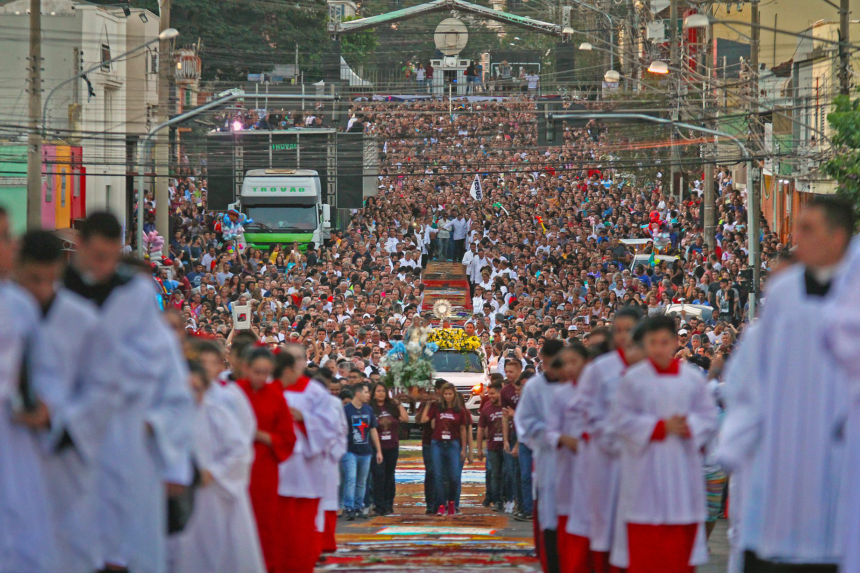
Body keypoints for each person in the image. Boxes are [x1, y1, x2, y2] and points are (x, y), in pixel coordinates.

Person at [718, 197, 854, 573]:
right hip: (781, 451)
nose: (797, 238)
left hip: (840, 452)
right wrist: (737, 442)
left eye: (808, 229)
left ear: (838, 237)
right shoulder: (783, 293)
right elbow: (749, 380)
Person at [64, 212, 194, 573]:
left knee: (132, 549)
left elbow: (174, 393)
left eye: (109, 257)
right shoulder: (60, 298)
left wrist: (171, 460)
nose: (101, 266)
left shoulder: (135, 301)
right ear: (81, 247)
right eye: (96, 256)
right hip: (73, 445)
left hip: (133, 445)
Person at [14, 230, 110, 573]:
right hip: (10, 451)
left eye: (47, 280)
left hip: (66, 456)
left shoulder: (81, 319)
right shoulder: (7, 311)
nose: (40, 289)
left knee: (67, 550)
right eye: (31, 280)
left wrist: (54, 416)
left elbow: (102, 392)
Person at [609, 315, 717, 573]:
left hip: (681, 472)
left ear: (674, 343)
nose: (658, 348)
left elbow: (709, 417)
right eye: (652, 342)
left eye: (664, 342)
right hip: (643, 474)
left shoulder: (691, 379)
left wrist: (688, 426)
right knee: (645, 556)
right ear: (645, 344)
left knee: (677, 555)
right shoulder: (632, 379)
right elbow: (620, 420)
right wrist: (659, 427)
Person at [0, 209, 64, 573]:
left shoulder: (19, 305)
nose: (10, 247)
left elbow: (46, 371)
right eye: (4, 237)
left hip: (14, 435)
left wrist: (46, 406)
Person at [170, 362, 266, 573]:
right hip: (174, 494)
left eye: (197, 389)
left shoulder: (217, 413)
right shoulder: (167, 416)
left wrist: (214, 472)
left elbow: (240, 451)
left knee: (213, 551)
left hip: (211, 492)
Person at [578, 306, 643, 573]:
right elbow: (587, 409)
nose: (624, 336)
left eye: (629, 330)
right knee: (607, 529)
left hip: (643, 459)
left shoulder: (652, 365)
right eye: (618, 331)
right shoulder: (601, 369)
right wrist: (611, 436)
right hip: (607, 460)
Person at [276, 345, 340, 573]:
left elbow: (330, 428)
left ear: (305, 362)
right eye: (288, 359)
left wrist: (305, 419)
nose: (292, 365)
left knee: (303, 521)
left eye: (297, 360)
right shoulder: (272, 388)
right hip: (277, 464)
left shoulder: (315, 392)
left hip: (306, 463)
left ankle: (302, 563)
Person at [237, 347, 296, 572]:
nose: (261, 378)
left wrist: (261, 435)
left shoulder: (275, 396)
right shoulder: (234, 393)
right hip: (234, 464)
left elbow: (287, 437)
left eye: (266, 372)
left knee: (264, 522)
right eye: (256, 372)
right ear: (245, 369)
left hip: (264, 467)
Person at [515, 339, 567, 573]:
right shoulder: (535, 387)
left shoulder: (575, 383)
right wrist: (552, 436)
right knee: (551, 518)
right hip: (548, 458)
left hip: (576, 459)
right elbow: (524, 422)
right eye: (547, 364)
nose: (552, 369)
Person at [549, 342, 591, 573]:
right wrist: (565, 439)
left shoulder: (598, 391)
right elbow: (549, 430)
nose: (570, 368)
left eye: (575, 362)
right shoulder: (561, 395)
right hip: (568, 467)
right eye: (567, 363)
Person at [422, 382, 470, 516]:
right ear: (442, 395)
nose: (448, 396)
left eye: (450, 394)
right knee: (438, 476)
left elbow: (463, 430)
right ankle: (441, 505)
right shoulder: (437, 407)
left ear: (454, 395)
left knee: (454, 476)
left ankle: (452, 502)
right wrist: (427, 405)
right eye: (445, 394)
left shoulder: (459, 410)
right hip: (437, 443)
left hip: (453, 444)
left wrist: (463, 449)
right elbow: (424, 419)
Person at [342, 382, 383, 520]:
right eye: (366, 392)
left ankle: (359, 505)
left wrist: (378, 450)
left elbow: (372, 429)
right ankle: (349, 507)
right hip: (350, 450)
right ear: (358, 394)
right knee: (351, 479)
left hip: (366, 451)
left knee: (362, 481)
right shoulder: (346, 410)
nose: (368, 395)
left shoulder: (368, 410)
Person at [370, 382, 408, 516]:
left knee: (389, 476)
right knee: (378, 476)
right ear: (373, 394)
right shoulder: (370, 408)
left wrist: (398, 403)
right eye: (378, 391)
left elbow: (405, 418)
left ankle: (388, 504)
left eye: (383, 391)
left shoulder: (391, 407)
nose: (381, 393)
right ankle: (378, 505)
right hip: (376, 447)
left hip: (392, 445)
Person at [418, 379, 447, 514]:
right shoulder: (429, 403)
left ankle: (441, 502)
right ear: (436, 391)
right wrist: (427, 405)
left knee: (443, 474)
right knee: (431, 472)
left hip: (445, 442)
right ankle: (430, 503)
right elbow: (420, 419)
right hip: (429, 441)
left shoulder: (450, 404)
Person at [477, 380, 506, 512]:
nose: (490, 396)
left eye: (493, 393)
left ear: (501, 392)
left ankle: (508, 498)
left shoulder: (507, 406)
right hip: (493, 446)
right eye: (489, 394)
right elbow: (480, 429)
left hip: (507, 446)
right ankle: (497, 500)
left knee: (508, 473)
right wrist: (479, 449)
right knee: (495, 474)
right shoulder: (487, 408)